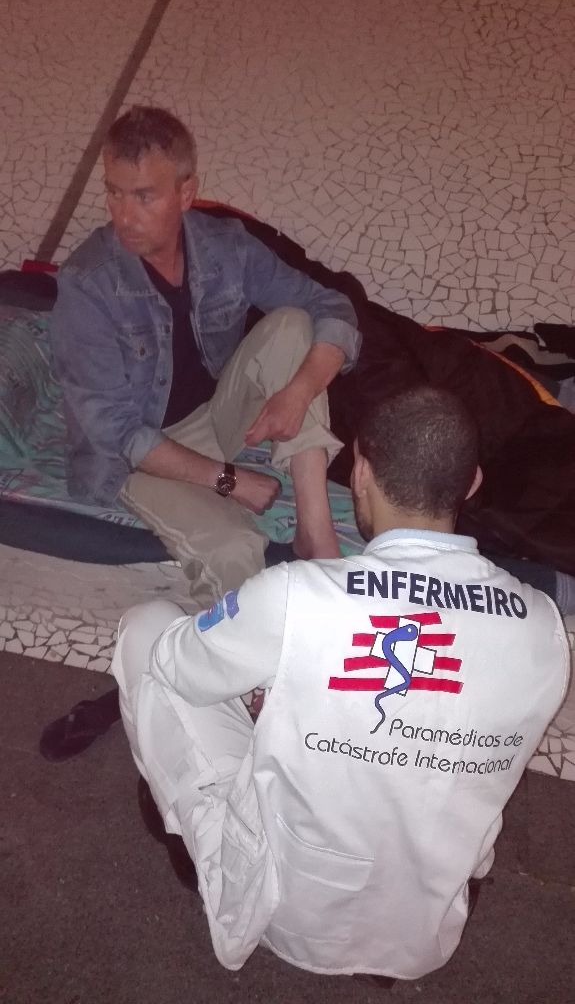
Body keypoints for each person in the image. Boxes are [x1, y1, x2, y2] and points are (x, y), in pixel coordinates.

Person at [111, 385, 569, 980]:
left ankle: (202, 846)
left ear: (360, 474)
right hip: (424, 928)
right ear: (472, 484)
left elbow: (180, 668)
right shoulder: (543, 625)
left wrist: (265, 674)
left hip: (284, 913)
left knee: (148, 631)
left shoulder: (297, 594)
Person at [41, 104, 360, 760]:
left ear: (186, 192)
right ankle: (233, 693)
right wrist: (228, 481)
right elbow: (115, 430)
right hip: (137, 454)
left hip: (218, 415)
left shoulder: (224, 246)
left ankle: (314, 531)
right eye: (113, 192)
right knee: (234, 547)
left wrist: (298, 391)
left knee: (293, 327)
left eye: (145, 195)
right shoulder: (87, 284)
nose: (123, 214)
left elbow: (332, 307)